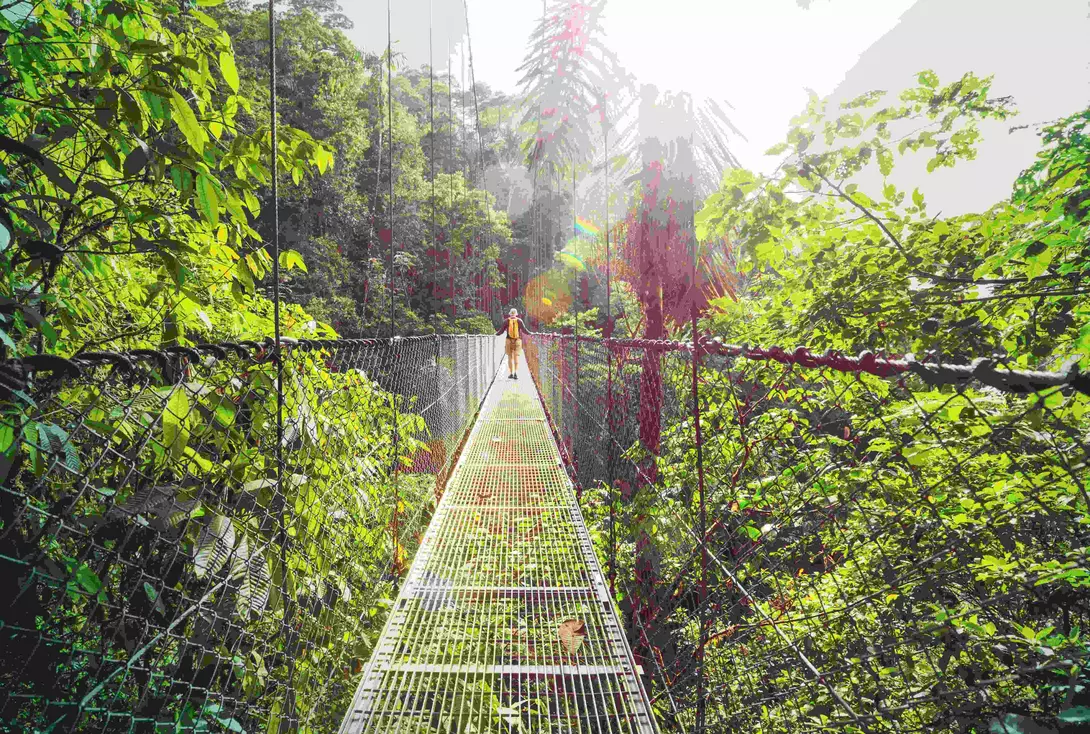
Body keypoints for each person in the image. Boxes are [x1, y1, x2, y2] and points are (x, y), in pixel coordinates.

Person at [497, 308, 530, 379]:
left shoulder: (506, 321)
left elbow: (501, 331)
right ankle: (516, 373)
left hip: (508, 340)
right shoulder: (519, 321)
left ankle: (511, 373)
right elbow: (524, 330)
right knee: (516, 357)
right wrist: (531, 334)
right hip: (517, 340)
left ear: (509, 314)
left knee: (510, 357)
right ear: (516, 314)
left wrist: (495, 334)